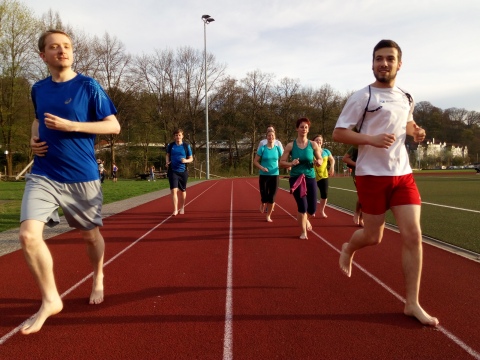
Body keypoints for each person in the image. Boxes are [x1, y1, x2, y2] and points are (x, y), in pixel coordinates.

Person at [18, 29, 120, 334]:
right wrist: (33, 138)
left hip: (81, 177)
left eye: (66, 46)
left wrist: (72, 125)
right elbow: (38, 118)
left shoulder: (88, 86)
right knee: (27, 236)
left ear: (72, 53)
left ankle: (98, 274)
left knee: (90, 237)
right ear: (43, 55)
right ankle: (51, 299)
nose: (62, 51)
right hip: (45, 173)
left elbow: (113, 126)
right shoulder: (38, 88)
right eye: (54, 47)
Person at [332, 39, 438, 326]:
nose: (384, 63)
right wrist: (370, 139)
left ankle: (412, 303)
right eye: (379, 58)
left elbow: (406, 123)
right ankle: (349, 248)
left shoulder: (406, 97)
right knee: (373, 236)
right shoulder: (362, 97)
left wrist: (416, 132)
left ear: (399, 64)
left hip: (402, 174)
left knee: (413, 235)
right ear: (372, 63)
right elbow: (339, 133)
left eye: (390, 59)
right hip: (370, 175)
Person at [280, 117, 322, 239]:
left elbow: (319, 158)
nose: (304, 129)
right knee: (302, 207)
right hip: (296, 179)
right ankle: (303, 232)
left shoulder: (313, 145)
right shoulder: (290, 146)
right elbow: (281, 162)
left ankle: (305, 219)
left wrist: (318, 162)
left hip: (310, 178)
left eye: (306, 127)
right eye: (301, 127)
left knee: (312, 209)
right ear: (297, 129)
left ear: (308, 130)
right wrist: (291, 163)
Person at [253, 129, 283, 222]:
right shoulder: (262, 148)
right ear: (266, 138)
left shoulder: (278, 148)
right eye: (269, 136)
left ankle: (268, 216)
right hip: (264, 175)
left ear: (275, 137)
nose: (271, 137)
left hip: (275, 175)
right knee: (264, 195)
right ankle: (263, 202)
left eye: (272, 136)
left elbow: (282, 160)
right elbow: (255, 161)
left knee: (272, 197)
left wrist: (289, 165)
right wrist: (262, 168)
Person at [166, 128, 193, 216]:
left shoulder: (186, 146)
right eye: (176, 135)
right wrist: (167, 162)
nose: (178, 137)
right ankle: (175, 209)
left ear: (182, 136)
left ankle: (182, 207)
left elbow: (191, 158)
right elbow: (167, 155)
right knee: (173, 190)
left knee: (182, 190)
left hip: (183, 171)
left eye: (179, 135)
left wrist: (186, 161)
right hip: (173, 171)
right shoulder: (171, 145)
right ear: (174, 136)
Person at [312, 135, 335, 218]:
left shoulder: (326, 151)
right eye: (317, 140)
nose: (318, 141)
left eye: (320, 140)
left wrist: (332, 167)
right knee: (312, 194)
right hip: (312, 176)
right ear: (313, 141)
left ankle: (322, 211)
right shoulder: (311, 151)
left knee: (324, 194)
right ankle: (312, 210)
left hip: (324, 176)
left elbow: (332, 160)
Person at [342, 146, 363, 226]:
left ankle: (362, 217)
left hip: (373, 173)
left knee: (369, 197)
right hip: (358, 173)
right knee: (362, 195)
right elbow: (345, 158)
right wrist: (358, 164)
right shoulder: (356, 145)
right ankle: (358, 213)